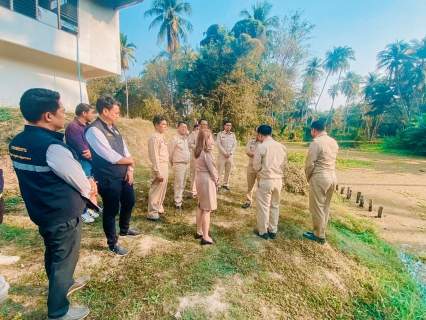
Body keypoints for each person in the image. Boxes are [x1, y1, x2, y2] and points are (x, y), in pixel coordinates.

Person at [9, 88, 93, 319]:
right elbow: (81, 183)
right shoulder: (53, 147)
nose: (64, 115)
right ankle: (58, 311)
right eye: (62, 111)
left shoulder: (16, 143)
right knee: (64, 259)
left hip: (41, 211)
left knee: (54, 253)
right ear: (48, 116)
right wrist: (90, 187)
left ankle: (65, 283)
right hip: (63, 215)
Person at [86, 96, 140, 256]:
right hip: (107, 176)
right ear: (105, 111)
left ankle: (124, 229)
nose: (118, 115)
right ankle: (113, 242)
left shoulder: (114, 128)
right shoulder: (94, 130)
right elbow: (110, 156)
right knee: (111, 209)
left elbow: (125, 150)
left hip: (123, 174)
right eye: (116, 112)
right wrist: (129, 161)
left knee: (130, 201)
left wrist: (130, 168)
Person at [303, 120, 339, 244]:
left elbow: (309, 164)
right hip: (332, 176)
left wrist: (308, 177)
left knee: (316, 207)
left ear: (313, 129)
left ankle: (318, 235)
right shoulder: (333, 142)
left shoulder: (316, 143)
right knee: (325, 207)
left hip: (320, 177)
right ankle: (321, 231)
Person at [65, 103, 99, 223]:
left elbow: (94, 148)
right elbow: (83, 150)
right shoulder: (73, 127)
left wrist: (94, 154)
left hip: (89, 162)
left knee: (91, 186)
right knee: (82, 187)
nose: (93, 115)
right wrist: (94, 154)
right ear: (84, 113)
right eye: (91, 112)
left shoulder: (88, 127)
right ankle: (82, 212)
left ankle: (89, 209)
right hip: (80, 161)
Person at [253, 124, 287, 240]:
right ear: (271, 134)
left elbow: (256, 166)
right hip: (278, 180)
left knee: (263, 206)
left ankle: (262, 231)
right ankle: (273, 229)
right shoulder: (281, 147)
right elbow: (284, 164)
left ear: (260, 135)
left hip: (266, 179)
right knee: (275, 205)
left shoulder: (261, 147)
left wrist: (264, 170)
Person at [194, 129, 219, 245]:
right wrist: (217, 182)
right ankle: (205, 236)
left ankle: (199, 231)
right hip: (207, 180)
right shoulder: (207, 152)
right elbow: (213, 170)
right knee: (207, 209)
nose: (212, 140)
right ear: (206, 139)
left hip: (199, 178)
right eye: (210, 137)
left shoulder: (197, 151)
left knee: (200, 205)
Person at [147, 115, 169, 222]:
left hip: (164, 164)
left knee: (162, 188)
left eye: (166, 124)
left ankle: (159, 207)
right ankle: (152, 213)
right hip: (159, 165)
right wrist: (158, 172)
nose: (165, 126)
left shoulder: (160, 136)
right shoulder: (154, 138)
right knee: (156, 189)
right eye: (163, 124)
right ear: (156, 125)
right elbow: (154, 156)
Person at [168, 121, 190, 212]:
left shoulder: (185, 139)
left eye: (185, 127)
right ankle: (178, 203)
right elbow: (170, 154)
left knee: (183, 183)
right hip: (178, 164)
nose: (184, 128)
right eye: (182, 127)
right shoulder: (174, 139)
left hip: (186, 164)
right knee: (178, 184)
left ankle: (180, 198)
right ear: (178, 128)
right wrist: (174, 164)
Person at [187, 119, 208, 199]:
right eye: (203, 124)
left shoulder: (208, 134)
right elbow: (190, 143)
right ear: (199, 125)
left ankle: (203, 191)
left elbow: (212, 144)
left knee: (205, 174)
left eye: (206, 124)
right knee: (195, 174)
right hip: (196, 156)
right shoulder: (193, 134)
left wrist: (209, 148)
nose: (204, 126)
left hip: (205, 157)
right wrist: (199, 148)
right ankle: (193, 191)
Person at [242, 126, 260, 209]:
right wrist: (258, 153)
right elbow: (248, 152)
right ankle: (248, 201)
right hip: (251, 166)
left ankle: (260, 203)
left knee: (261, 186)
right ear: (255, 132)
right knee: (250, 185)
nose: (258, 133)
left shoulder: (265, 142)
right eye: (257, 131)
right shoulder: (251, 141)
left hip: (261, 168)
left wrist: (254, 153)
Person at [217, 120, 237, 191]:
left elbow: (235, 145)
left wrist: (230, 152)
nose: (229, 127)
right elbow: (219, 144)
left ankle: (226, 183)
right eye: (227, 125)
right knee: (220, 170)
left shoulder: (233, 135)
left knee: (228, 170)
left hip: (230, 155)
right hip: (222, 155)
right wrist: (225, 152)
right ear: (224, 126)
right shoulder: (220, 134)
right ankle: (218, 184)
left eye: (230, 125)